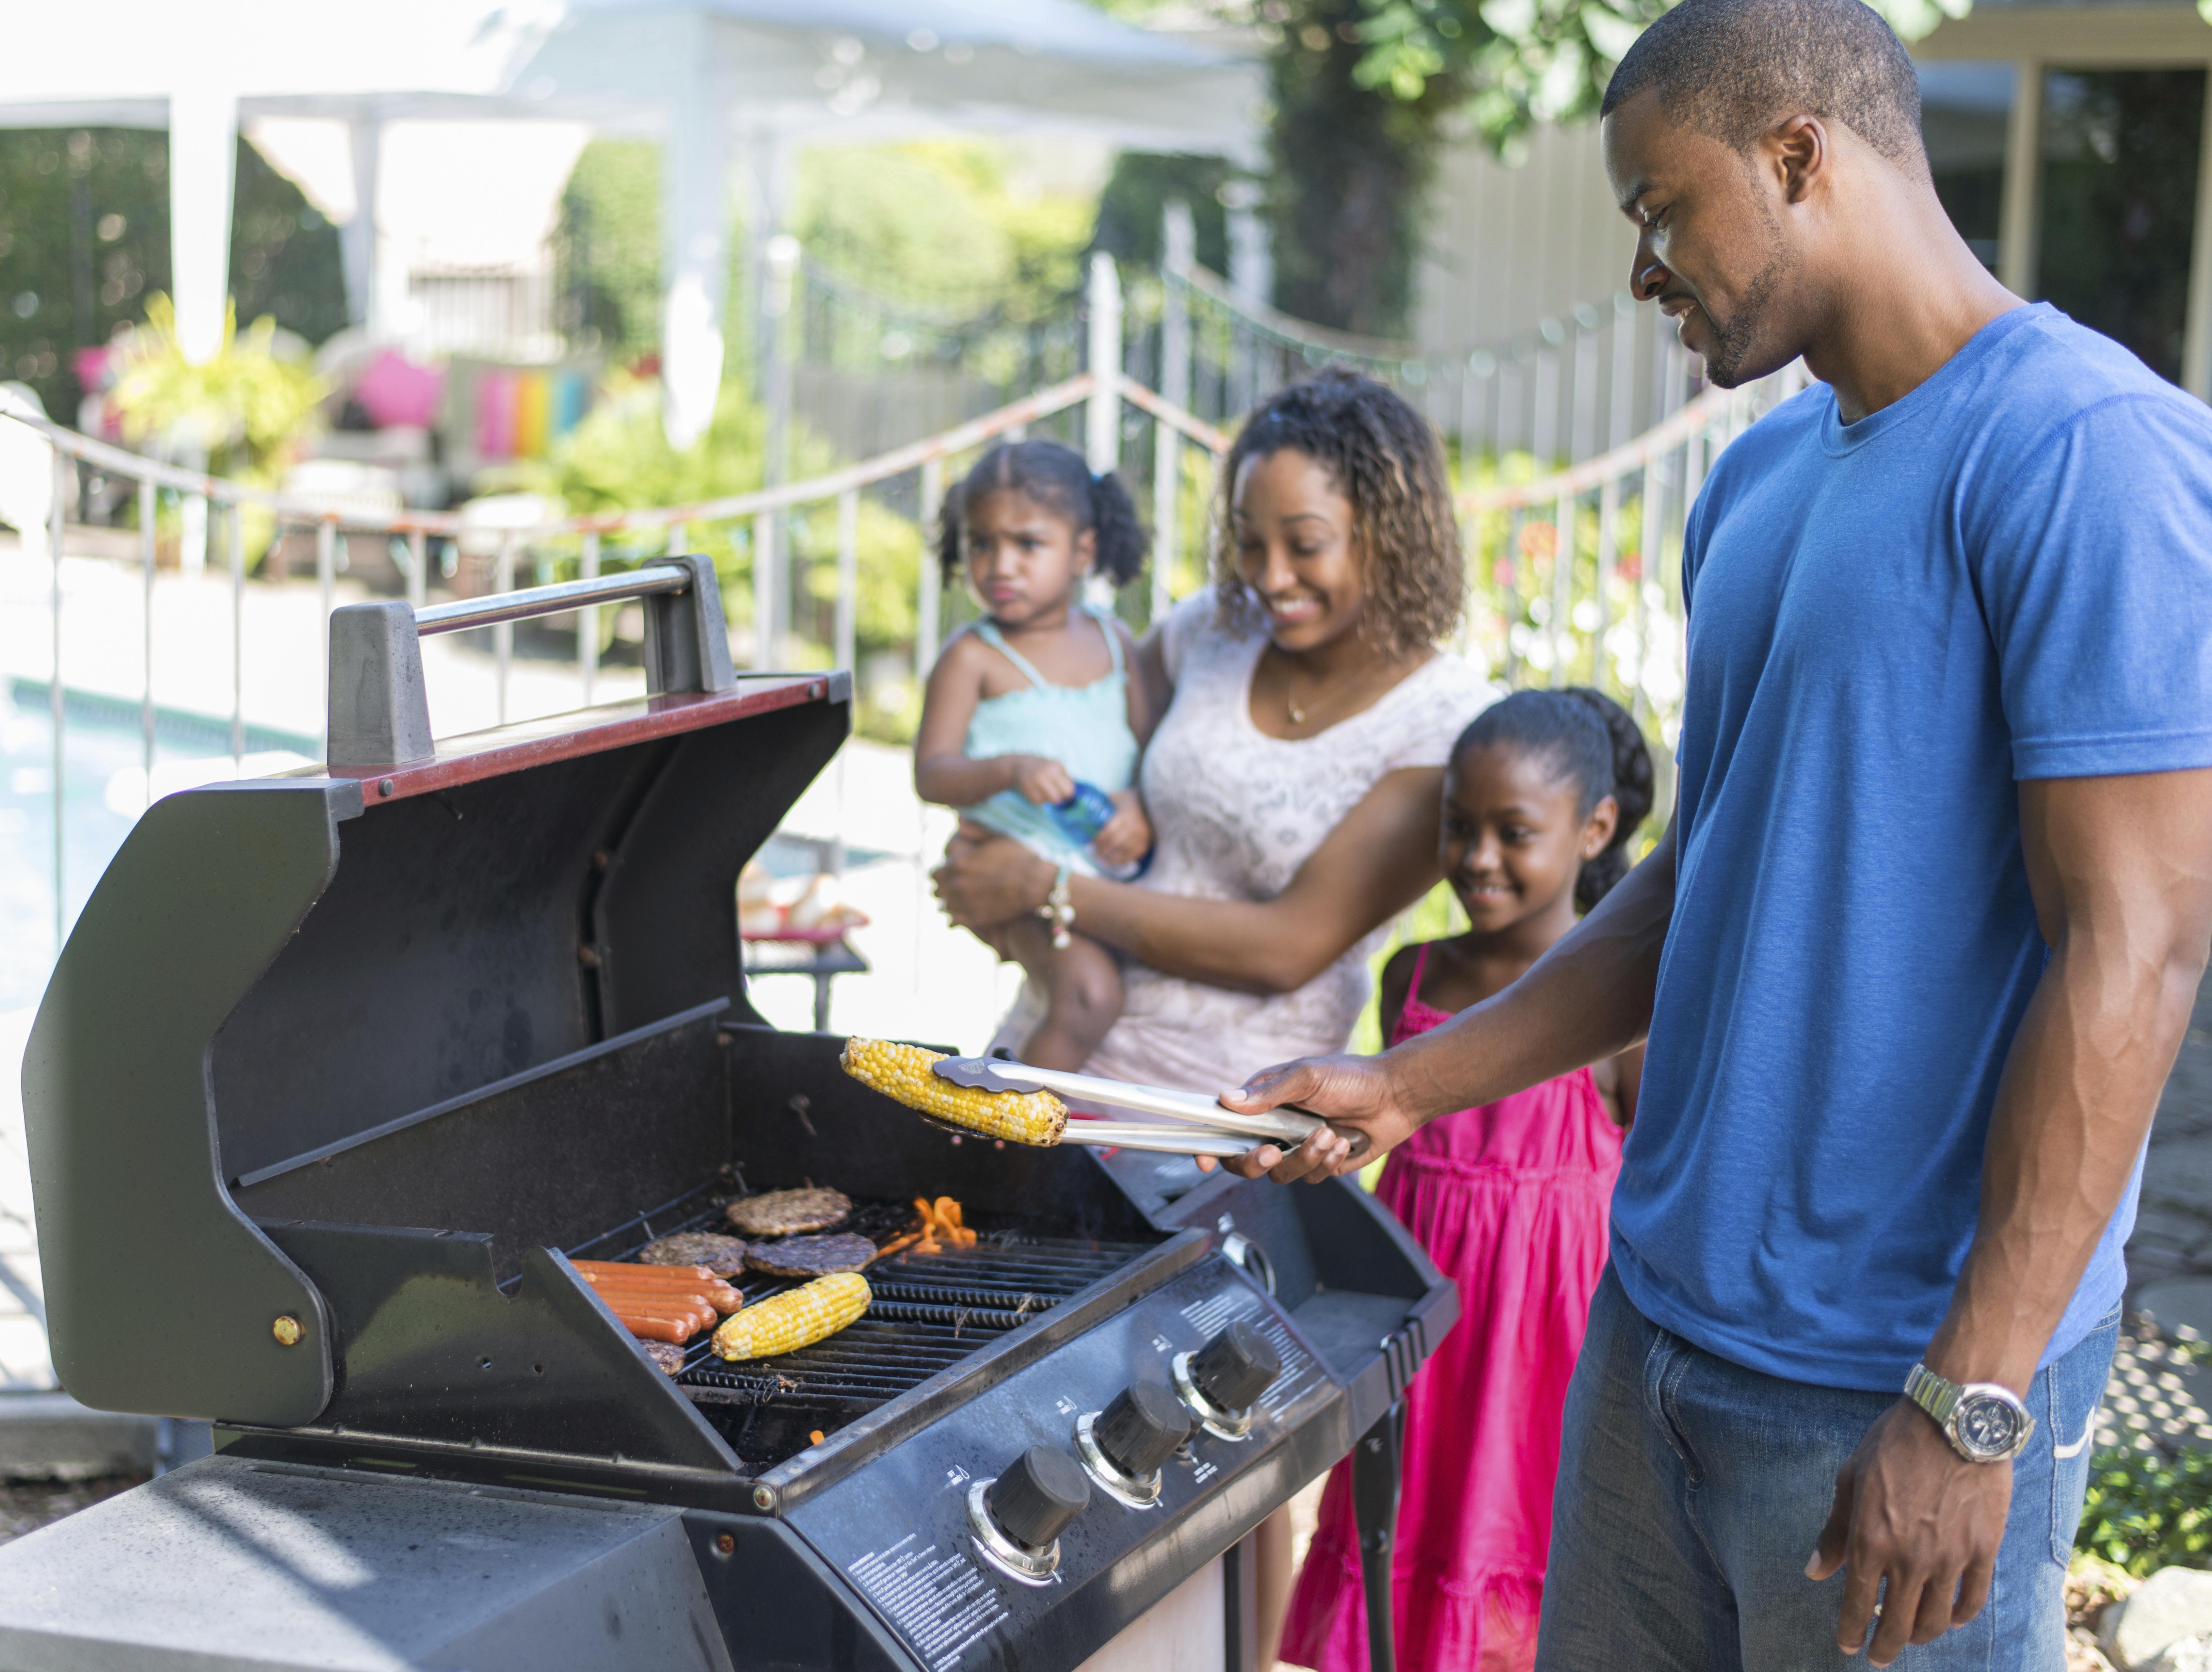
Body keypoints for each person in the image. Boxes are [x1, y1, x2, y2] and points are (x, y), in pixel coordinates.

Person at [1218, 0, 2212, 1666]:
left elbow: (2136, 939)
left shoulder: (2082, 454)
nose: (1641, 273)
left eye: (1658, 212)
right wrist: (1408, 1085)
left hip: (1894, 1376)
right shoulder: (1751, 488)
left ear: (1796, 155)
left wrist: (1969, 1397)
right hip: (1655, 1337)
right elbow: (1706, 879)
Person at [933, 370, 1497, 1666]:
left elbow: (1294, 940)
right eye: (1248, 541)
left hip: (1227, 1119)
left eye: (1307, 545)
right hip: (1071, 1046)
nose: (1271, 577)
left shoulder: (1440, 721)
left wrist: (1058, 890)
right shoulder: (1205, 631)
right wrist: (1006, 871)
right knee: (1003, 1418)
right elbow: (1089, 767)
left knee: (1194, 1438)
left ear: (1392, 534)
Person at [1279, 688, 1652, 1672]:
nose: (1478, 858)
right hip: (1424, 1327)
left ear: (1596, 828)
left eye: (1514, 832)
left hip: (1545, 1343)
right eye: (1459, 827)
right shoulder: (1415, 974)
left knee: (1522, 1537)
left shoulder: (1623, 1009)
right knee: (1403, 1521)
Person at [913, 441, 1154, 1070]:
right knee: (1088, 996)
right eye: (982, 544)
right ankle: (1018, 1150)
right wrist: (1010, 770)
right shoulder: (973, 656)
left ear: (1083, 550)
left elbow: (1151, 752)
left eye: (1028, 544)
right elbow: (932, 773)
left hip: (1106, 868)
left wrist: (1136, 806)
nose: (1001, 565)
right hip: (1014, 874)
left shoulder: (1114, 641)